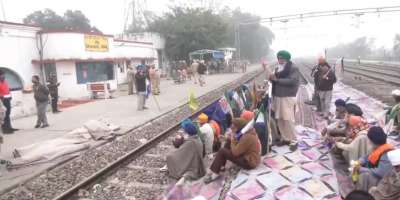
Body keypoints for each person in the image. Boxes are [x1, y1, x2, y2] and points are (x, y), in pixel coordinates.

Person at [204, 118, 261, 183]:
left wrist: (232, 139)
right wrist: (227, 139)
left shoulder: (247, 137)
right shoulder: (246, 132)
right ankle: (221, 166)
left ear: (239, 127)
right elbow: (237, 141)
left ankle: (215, 173)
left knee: (222, 151)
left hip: (249, 162)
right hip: (247, 157)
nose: (232, 129)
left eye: (234, 127)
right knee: (228, 143)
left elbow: (235, 153)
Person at [269, 50, 300, 151]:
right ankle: (285, 138)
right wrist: (271, 78)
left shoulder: (293, 68)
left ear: (287, 58)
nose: (280, 60)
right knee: (279, 118)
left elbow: (293, 81)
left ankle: (294, 140)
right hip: (277, 96)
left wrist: (277, 80)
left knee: (288, 118)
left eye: (282, 58)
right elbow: (273, 79)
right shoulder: (277, 68)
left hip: (287, 96)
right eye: (278, 58)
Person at [353, 126, 394, 192]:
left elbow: (381, 172)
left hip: (384, 180)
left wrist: (361, 169)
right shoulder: (378, 147)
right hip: (377, 174)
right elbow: (368, 157)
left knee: (364, 176)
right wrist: (360, 161)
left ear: (372, 140)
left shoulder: (386, 153)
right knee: (357, 170)